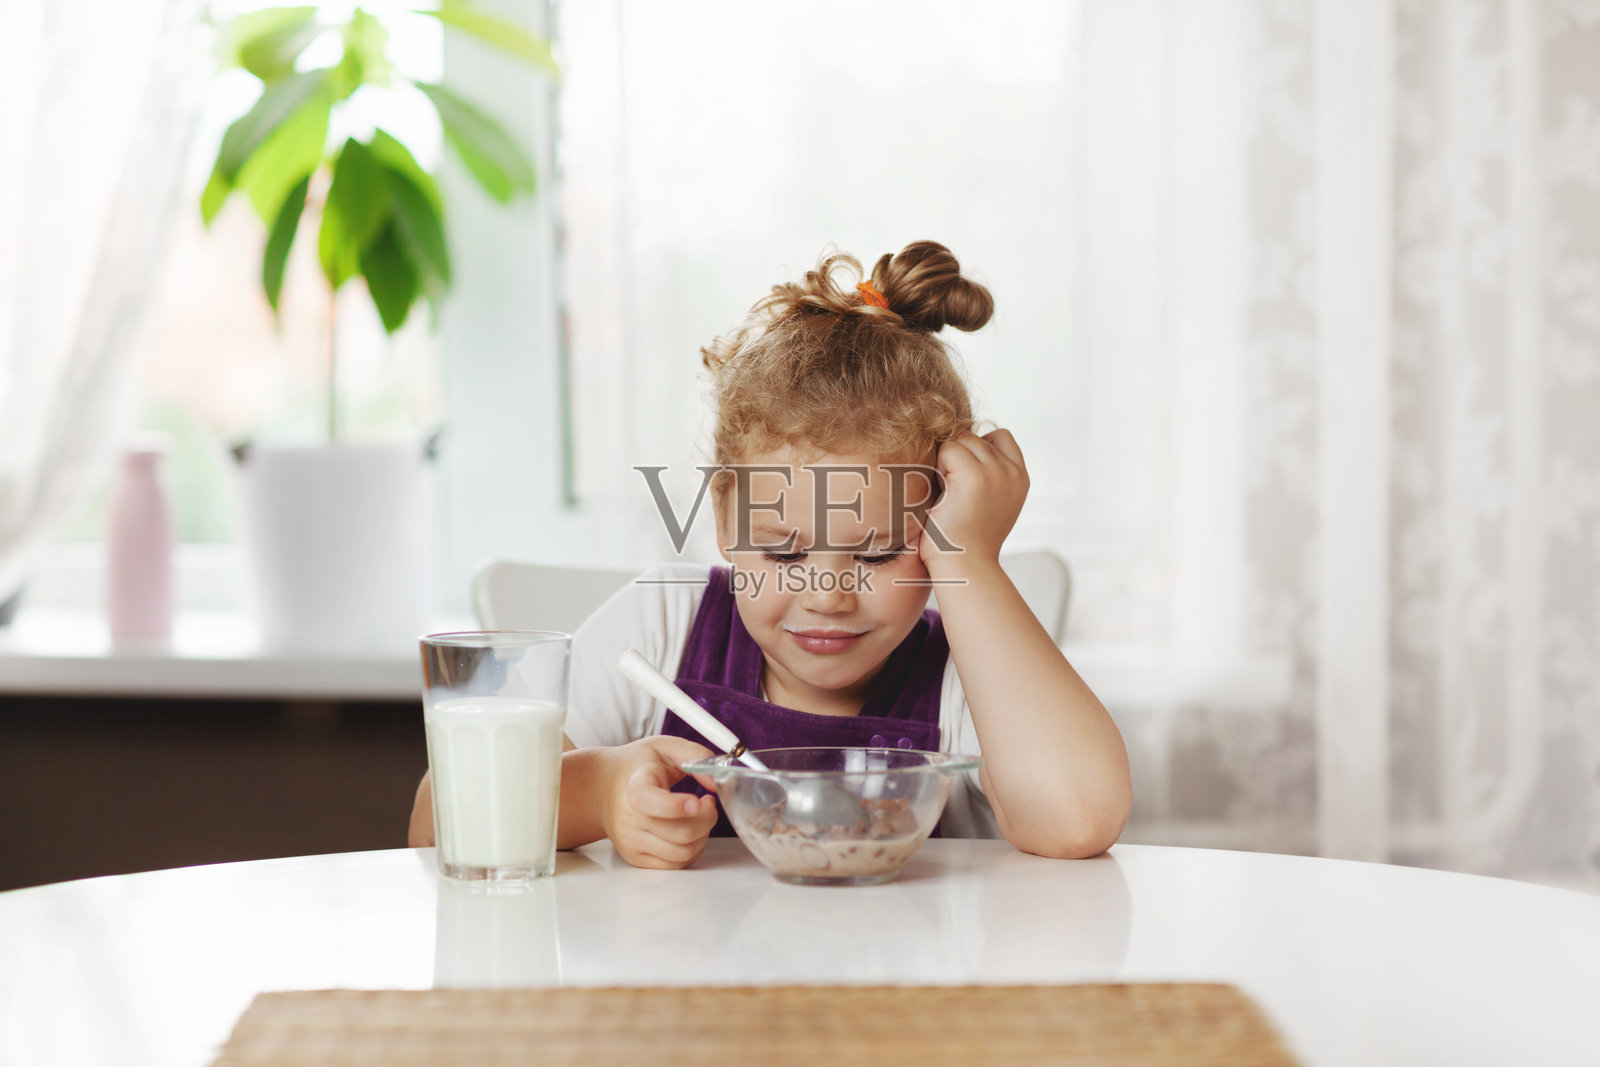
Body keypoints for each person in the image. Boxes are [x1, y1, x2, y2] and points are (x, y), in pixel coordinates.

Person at [409, 240, 1131, 867]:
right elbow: (438, 819)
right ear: (724, 515)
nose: (826, 594)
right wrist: (597, 791)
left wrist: (972, 560)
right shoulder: (661, 625)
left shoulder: (965, 677)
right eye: (784, 553)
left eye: (878, 552)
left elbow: (1077, 818)